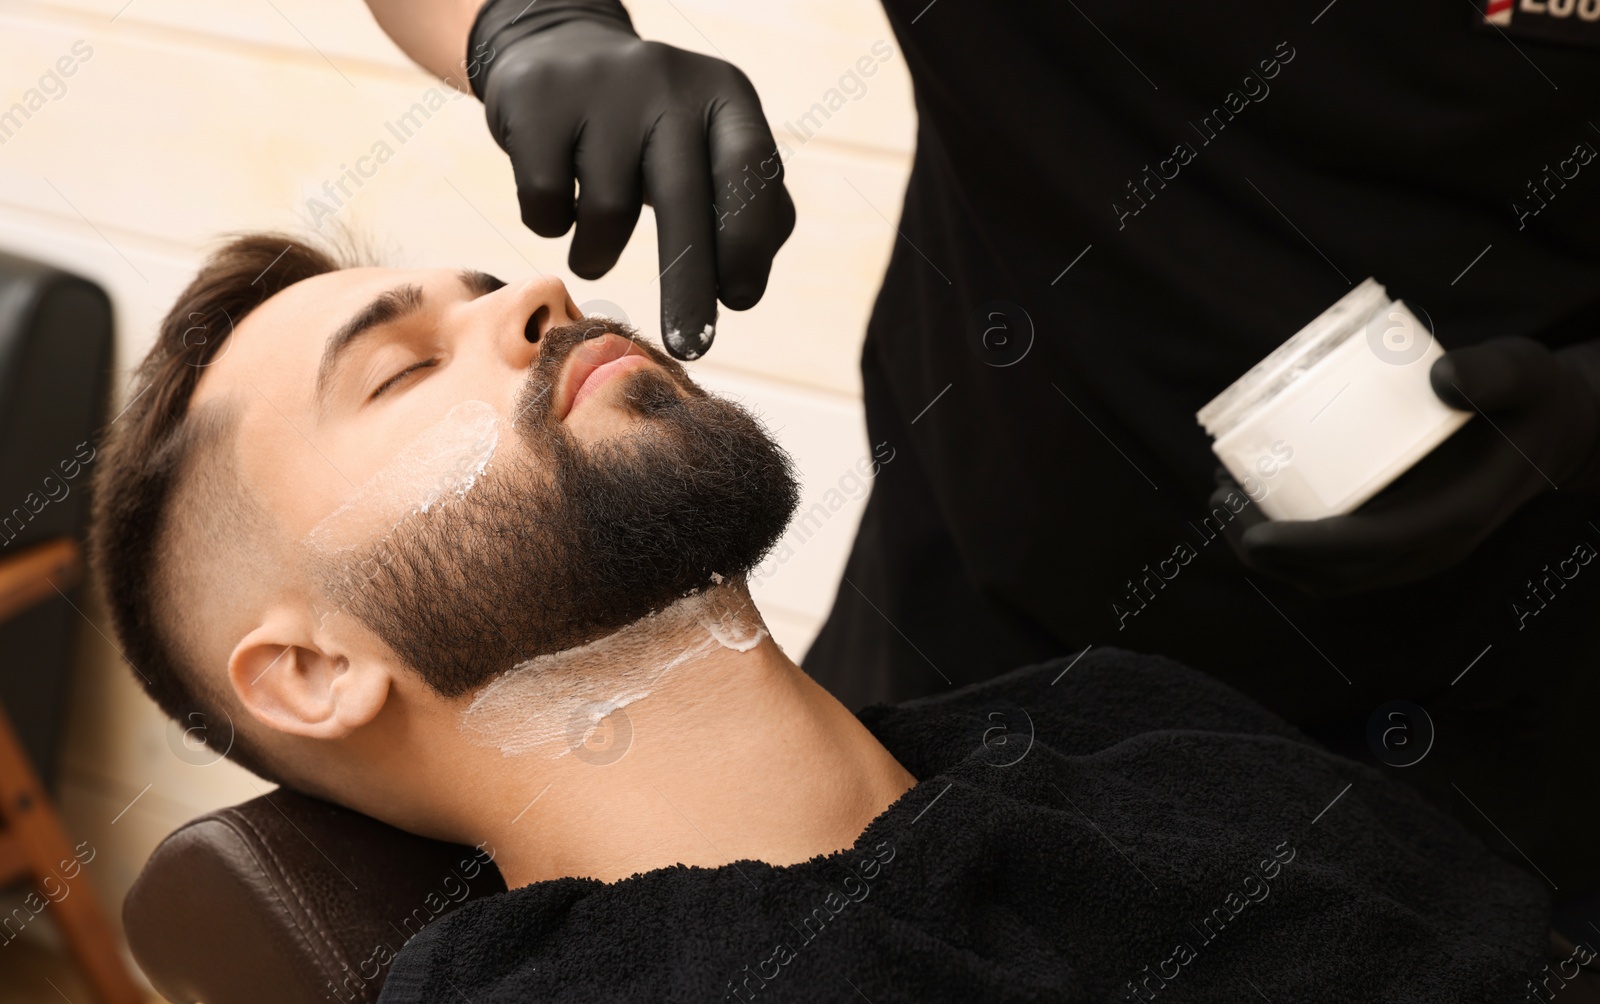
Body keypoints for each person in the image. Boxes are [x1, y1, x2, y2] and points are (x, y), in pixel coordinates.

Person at [88, 235, 1589, 1004]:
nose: (536, 293)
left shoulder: (1114, 711)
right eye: (407, 366)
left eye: (491, 285)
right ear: (312, 672)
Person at [358, 0, 1600, 899]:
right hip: (996, 619)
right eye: (390, 367)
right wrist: (529, 22)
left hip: (1540, 683)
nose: (528, 307)